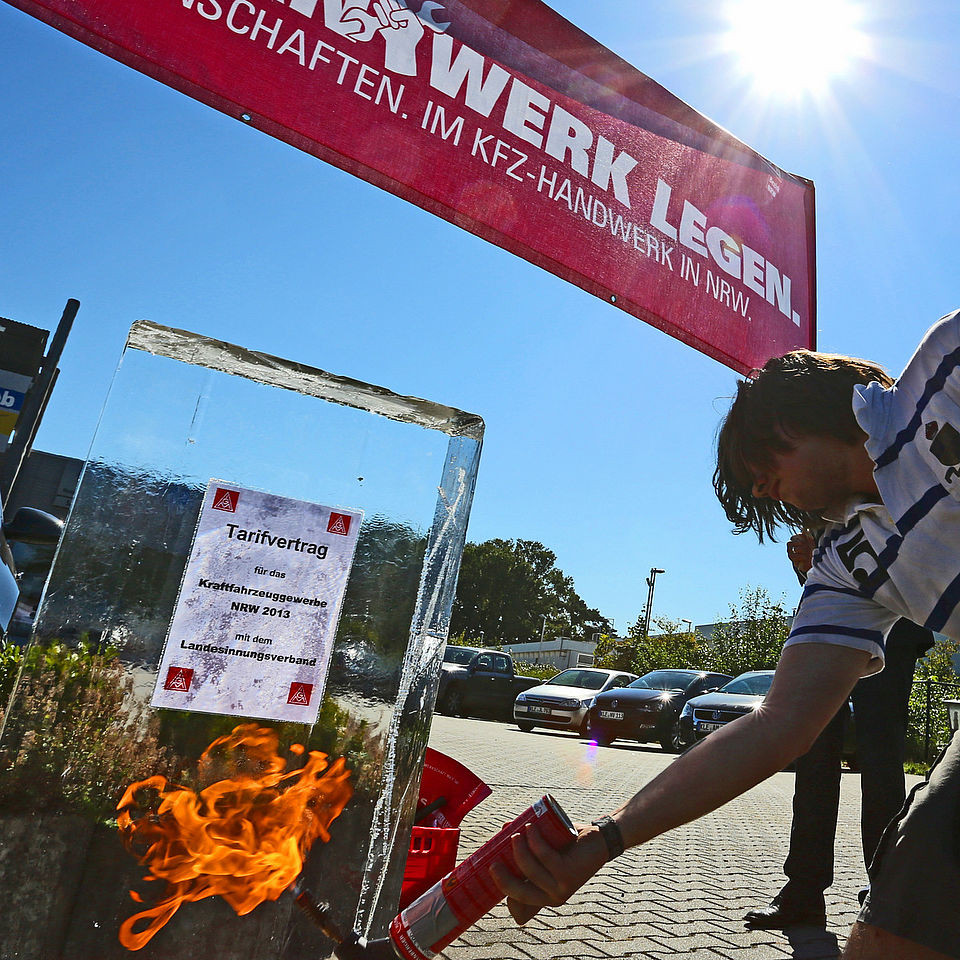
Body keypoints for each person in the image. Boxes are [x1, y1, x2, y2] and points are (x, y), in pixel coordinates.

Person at [490, 308, 960, 960]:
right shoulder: (845, 564)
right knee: (884, 942)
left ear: (786, 423)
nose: (779, 503)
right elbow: (775, 726)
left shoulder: (947, 367)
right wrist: (603, 842)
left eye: (770, 480)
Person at [744, 529, 932, 929]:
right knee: (812, 752)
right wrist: (808, 565)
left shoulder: (882, 472)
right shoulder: (821, 496)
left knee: (880, 758)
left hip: (893, 618)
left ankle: (885, 890)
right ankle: (803, 892)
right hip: (831, 618)